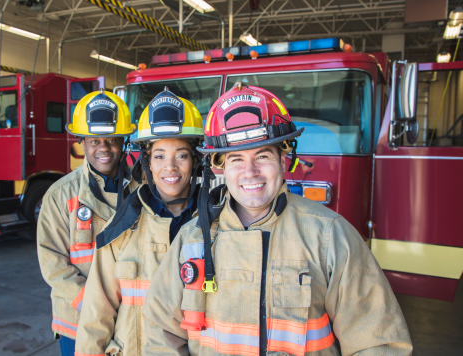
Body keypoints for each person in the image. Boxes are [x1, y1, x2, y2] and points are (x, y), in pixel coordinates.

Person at [142, 82, 413, 356]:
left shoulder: (329, 235)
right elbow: (160, 333)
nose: (250, 172)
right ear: (220, 167)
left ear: (284, 160)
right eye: (236, 159)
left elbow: (379, 343)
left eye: (262, 156)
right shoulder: (192, 238)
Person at [74, 88, 205, 356]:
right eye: (159, 156)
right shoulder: (122, 226)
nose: (170, 167)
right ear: (146, 163)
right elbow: (96, 314)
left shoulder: (216, 226)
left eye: (181, 155)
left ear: (195, 161)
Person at [37, 89, 139, 356]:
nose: (103, 148)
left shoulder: (142, 190)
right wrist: (95, 307)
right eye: (94, 141)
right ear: (82, 142)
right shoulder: (60, 195)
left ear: (123, 141)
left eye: (111, 140)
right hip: (77, 320)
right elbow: (52, 262)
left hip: (131, 319)